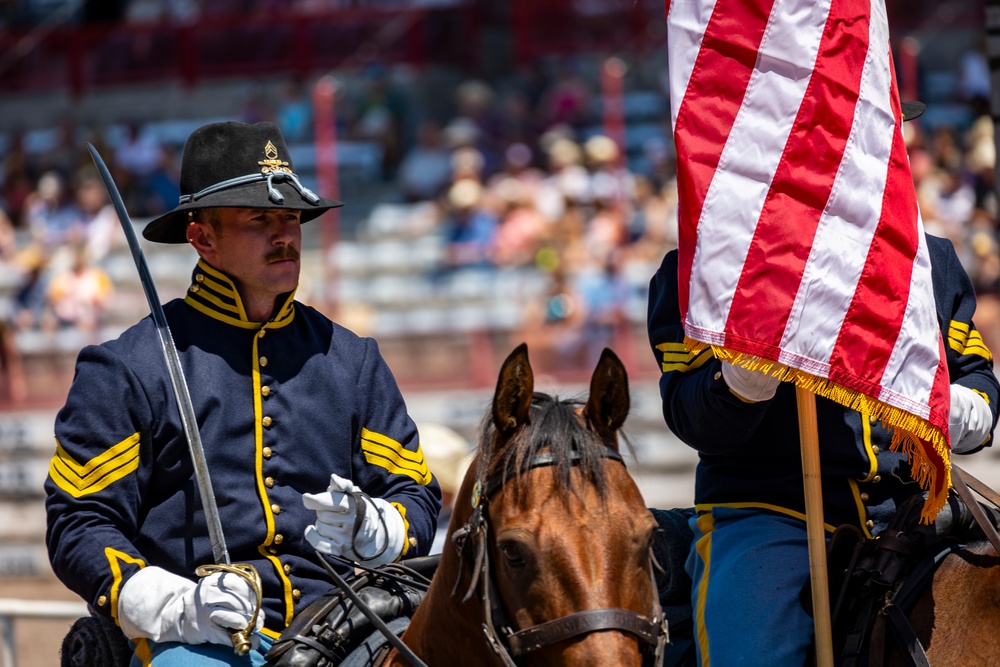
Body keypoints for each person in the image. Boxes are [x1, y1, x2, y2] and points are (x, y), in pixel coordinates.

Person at [44, 121, 442, 666]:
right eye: (260, 219)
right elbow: (80, 521)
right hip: (202, 638)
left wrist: (381, 529)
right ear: (202, 238)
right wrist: (171, 603)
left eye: (290, 217)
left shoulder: (353, 360)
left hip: (352, 624)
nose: (285, 234)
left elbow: (414, 492)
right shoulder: (127, 369)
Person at [646, 102, 1000, 665]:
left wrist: (956, 409)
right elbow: (694, 420)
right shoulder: (701, 274)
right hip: (773, 513)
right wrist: (745, 380)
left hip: (917, 506)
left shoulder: (931, 260)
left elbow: (976, 380)